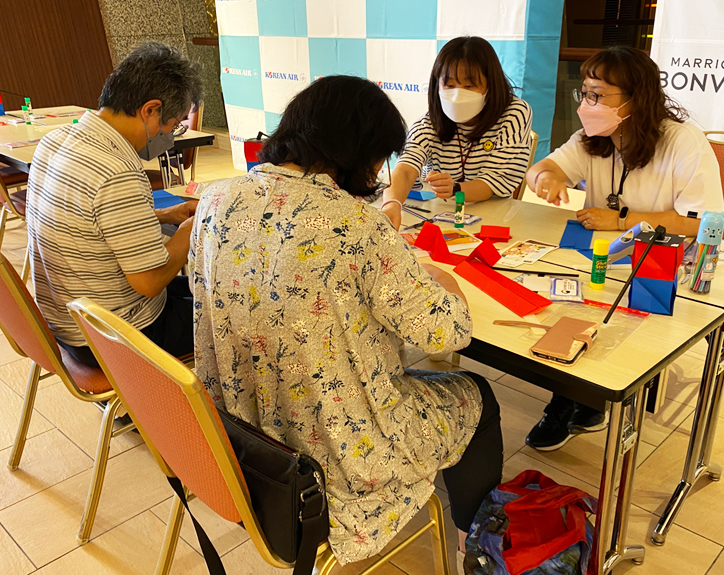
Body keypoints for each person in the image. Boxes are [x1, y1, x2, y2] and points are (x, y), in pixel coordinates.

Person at [190, 76, 503, 569]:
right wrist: (443, 282)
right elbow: (445, 332)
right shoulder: (356, 224)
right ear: (358, 152)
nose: (378, 172)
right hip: (338, 461)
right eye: (378, 158)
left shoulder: (216, 199)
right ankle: (477, 547)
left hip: (241, 439)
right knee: (477, 396)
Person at [524, 46, 724, 451]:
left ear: (636, 98)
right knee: (558, 294)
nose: (587, 104)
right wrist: (545, 178)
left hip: (667, 263)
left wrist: (621, 219)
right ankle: (579, 395)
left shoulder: (682, 143)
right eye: (584, 93)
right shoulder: (593, 138)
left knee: (596, 308)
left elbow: (701, 223)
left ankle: (573, 399)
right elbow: (545, 167)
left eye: (598, 95)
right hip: (606, 256)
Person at [26, 42, 203, 367]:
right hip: (118, 337)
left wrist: (164, 214)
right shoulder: (116, 171)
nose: (170, 137)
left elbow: (88, 220)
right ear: (150, 110)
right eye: (172, 125)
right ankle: (201, 413)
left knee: (202, 290)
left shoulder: (56, 140)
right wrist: (190, 230)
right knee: (238, 310)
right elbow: (148, 283)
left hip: (67, 317)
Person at [381, 36, 532, 231]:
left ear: (490, 84)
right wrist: (392, 203)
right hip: (444, 216)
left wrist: (455, 188)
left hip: (496, 218)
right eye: (450, 85)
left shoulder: (514, 113)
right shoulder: (431, 122)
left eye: (469, 86)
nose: (458, 94)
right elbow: (406, 167)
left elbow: (496, 180)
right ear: (438, 85)